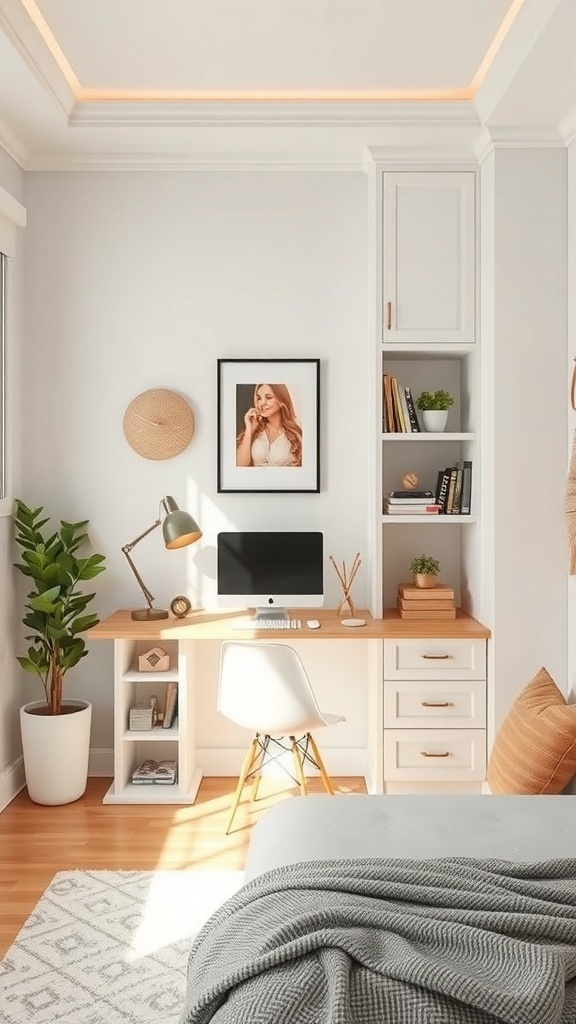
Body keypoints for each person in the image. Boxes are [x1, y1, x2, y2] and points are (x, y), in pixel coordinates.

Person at [236, 383, 302, 467]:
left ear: (282, 401)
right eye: (259, 398)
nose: (261, 403)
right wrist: (249, 429)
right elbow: (240, 465)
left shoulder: (296, 434)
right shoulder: (254, 430)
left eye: (268, 397)